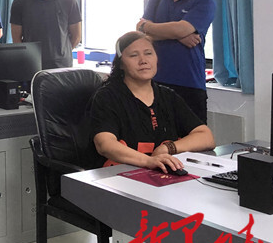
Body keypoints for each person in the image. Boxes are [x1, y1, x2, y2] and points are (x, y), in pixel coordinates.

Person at [91, 31, 215, 171]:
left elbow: (206, 137)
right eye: (134, 55)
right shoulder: (107, 97)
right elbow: (105, 145)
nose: (143, 60)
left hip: (161, 173)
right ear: (121, 64)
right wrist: (149, 161)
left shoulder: (168, 96)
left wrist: (167, 148)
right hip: (118, 175)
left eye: (148, 53)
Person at [137, 0, 216, 123]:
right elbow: (140, 35)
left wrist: (149, 27)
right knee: (155, 136)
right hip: (154, 81)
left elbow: (180, 29)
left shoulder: (204, 1)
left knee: (194, 136)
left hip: (189, 83)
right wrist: (177, 35)